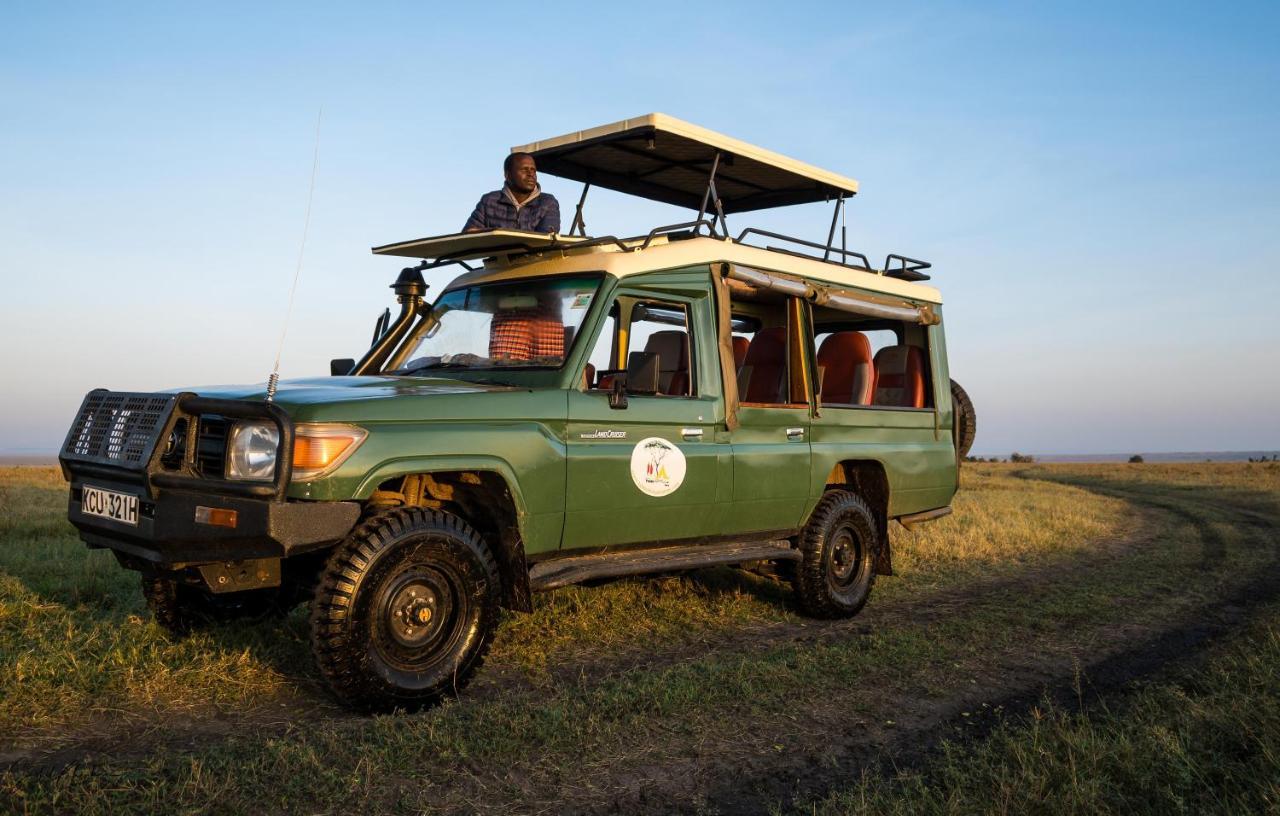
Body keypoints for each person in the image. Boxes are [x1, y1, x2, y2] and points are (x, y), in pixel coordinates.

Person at [463, 152, 561, 233]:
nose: (531, 174)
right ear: (508, 175)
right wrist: (497, 234)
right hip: (499, 257)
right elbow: (469, 233)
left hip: (535, 257)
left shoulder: (548, 202)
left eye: (533, 170)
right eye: (524, 169)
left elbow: (546, 239)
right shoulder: (489, 200)